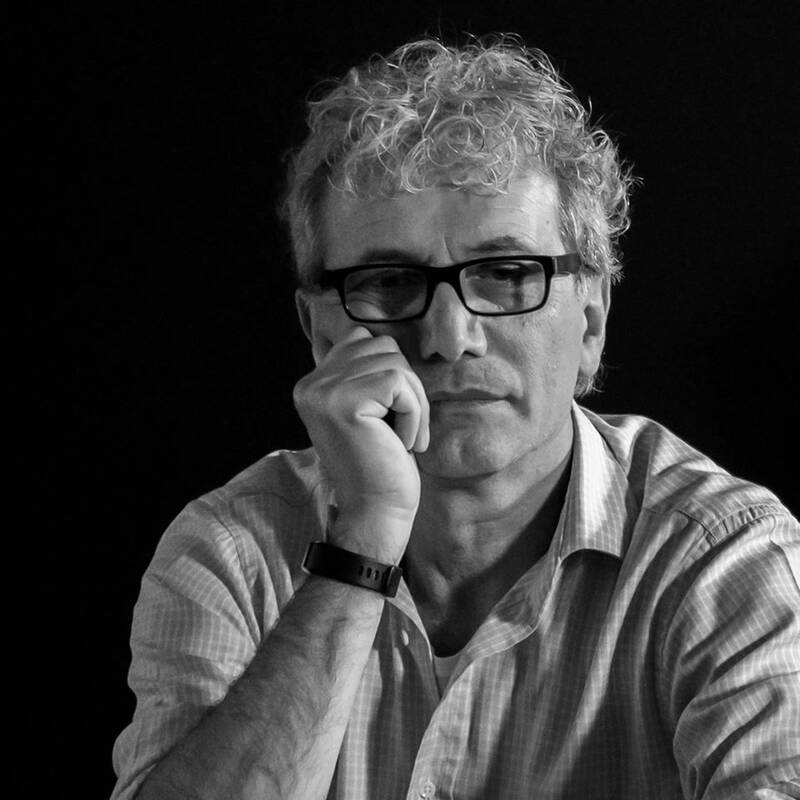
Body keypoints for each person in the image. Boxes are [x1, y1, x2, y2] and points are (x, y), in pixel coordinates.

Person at [111, 35, 800, 800]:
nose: (447, 337)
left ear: (591, 321)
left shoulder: (727, 558)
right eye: (389, 282)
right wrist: (364, 537)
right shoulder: (231, 552)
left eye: (507, 274)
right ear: (321, 333)